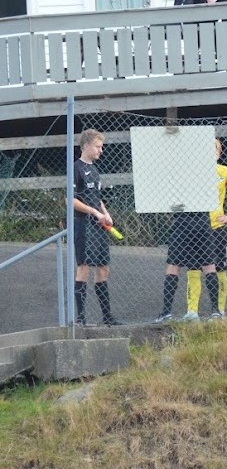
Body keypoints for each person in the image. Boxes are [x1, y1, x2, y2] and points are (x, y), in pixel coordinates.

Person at [185, 138, 227, 319]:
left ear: (219, 153)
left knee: (219, 268)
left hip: (216, 228)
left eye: (214, 149)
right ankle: (192, 311)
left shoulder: (224, 172)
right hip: (195, 227)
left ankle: (219, 310)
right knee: (193, 268)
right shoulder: (192, 171)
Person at [72, 128, 120, 326]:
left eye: (102, 146)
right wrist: (93, 212)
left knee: (103, 268)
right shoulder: (75, 168)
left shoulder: (95, 170)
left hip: (98, 226)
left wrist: (105, 213)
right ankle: (81, 319)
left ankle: (107, 317)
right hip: (83, 225)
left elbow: (97, 198)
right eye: (98, 146)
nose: (101, 150)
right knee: (84, 267)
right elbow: (71, 201)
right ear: (86, 146)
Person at [154, 205, 218, 323]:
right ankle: (215, 312)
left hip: (182, 220)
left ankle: (166, 312)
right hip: (201, 220)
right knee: (208, 266)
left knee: (174, 266)